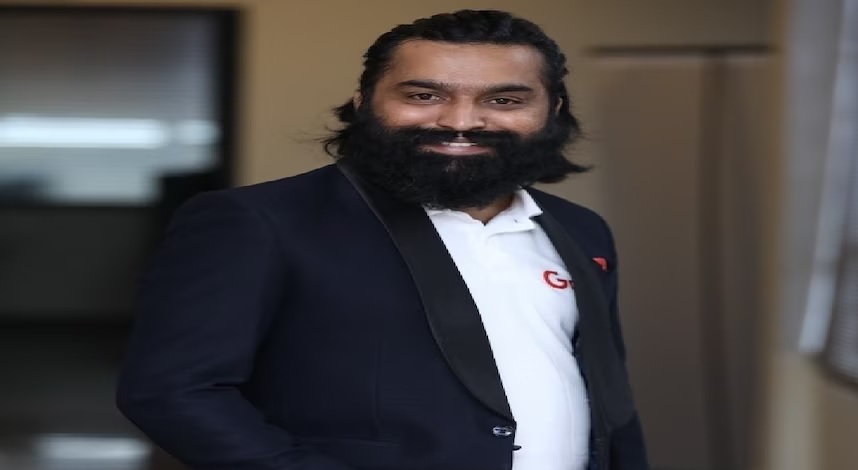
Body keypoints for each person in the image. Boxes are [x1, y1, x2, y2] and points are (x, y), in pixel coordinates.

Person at [116, 9, 648, 470]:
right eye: (424, 95)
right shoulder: (258, 221)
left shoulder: (580, 229)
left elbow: (607, 393)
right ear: (363, 102)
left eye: (504, 99)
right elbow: (173, 393)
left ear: (552, 111)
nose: (461, 121)